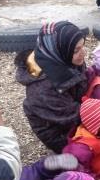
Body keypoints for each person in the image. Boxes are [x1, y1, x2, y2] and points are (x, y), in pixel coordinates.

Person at [16, 21, 88, 153]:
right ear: (59, 50)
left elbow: (84, 84)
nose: (83, 53)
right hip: (61, 134)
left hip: (76, 112)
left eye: (83, 46)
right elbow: (74, 117)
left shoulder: (67, 58)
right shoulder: (43, 87)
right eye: (76, 50)